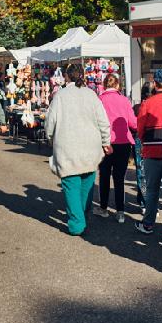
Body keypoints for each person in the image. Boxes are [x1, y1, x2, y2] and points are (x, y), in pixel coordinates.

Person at [45, 64, 112, 236]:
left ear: (67, 77)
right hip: (91, 146)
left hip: (68, 146)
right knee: (87, 182)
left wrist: (51, 138)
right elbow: (103, 121)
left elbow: (50, 123)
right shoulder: (92, 95)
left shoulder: (60, 96)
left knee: (71, 184)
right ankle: (81, 215)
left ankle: (77, 222)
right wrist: (106, 141)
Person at [135, 67, 162, 242]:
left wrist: (145, 142)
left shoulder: (148, 103)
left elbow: (140, 130)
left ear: (155, 82)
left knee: (152, 190)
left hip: (152, 151)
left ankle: (148, 224)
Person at [95, 74, 137, 223]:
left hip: (106, 142)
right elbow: (133, 123)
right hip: (124, 142)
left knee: (104, 175)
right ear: (118, 85)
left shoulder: (99, 100)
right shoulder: (124, 100)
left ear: (105, 85)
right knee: (119, 178)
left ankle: (104, 208)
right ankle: (120, 211)